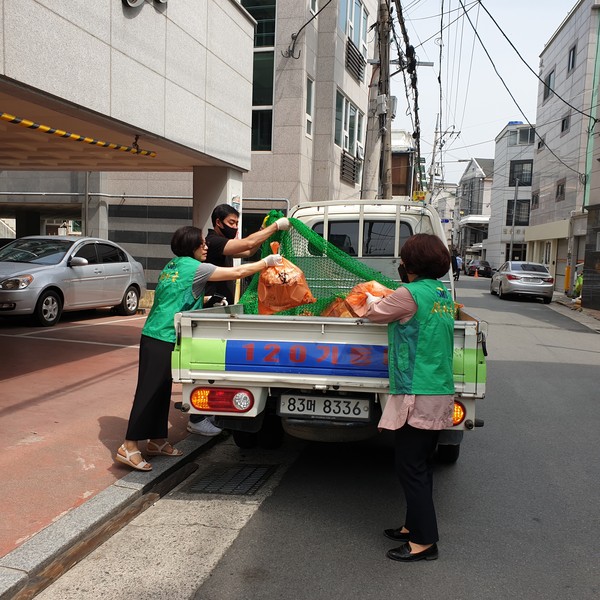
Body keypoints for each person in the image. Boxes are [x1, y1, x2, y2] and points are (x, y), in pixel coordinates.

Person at [115, 225, 285, 472]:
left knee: (162, 390)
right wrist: (266, 262)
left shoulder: (173, 265)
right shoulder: (198, 268)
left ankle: (157, 441)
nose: (206, 247)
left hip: (157, 334)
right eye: (201, 244)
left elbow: (176, 294)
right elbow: (238, 271)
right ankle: (129, 446)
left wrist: (205, 300)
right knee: (148, 392)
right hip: (162, 336)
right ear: (191, 246)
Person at [365, 233, 455, 563]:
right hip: (437, 387)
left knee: (410, 466)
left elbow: (373, 313)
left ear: (411, 264)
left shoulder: (409, 293)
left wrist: (370, 296)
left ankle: (424, 542)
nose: (401, 264)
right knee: (420, 464)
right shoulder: (440, 293)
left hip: (418, 390)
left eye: (403, 259)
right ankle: (411, 527)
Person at [187, 204, 290, 435]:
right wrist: (274, 227)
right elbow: (246, 245)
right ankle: (196, 418)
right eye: (231, 223)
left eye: (236, 223)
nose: (234, 227)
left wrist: (265, 234)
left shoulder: (220, 244)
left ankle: (208, 413)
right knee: (206, 361)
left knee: (216, 361)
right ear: (218, 223)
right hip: (208, 309)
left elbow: (247, 252)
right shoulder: (212, 241)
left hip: (219, 307)